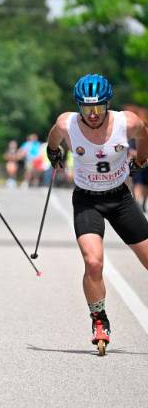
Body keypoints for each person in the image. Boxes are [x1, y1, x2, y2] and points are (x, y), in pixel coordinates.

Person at [45, 73, 148, 355]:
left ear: (107, 104)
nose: (92, 115)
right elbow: (54, 136)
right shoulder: (68, 123)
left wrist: (141, 159)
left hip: (120, 199)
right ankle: (99, 320)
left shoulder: (128, 122)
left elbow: (144, 135)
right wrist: (52, 151)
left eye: (98, 108)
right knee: (93, 262)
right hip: (87, 200)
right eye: (86, 109)